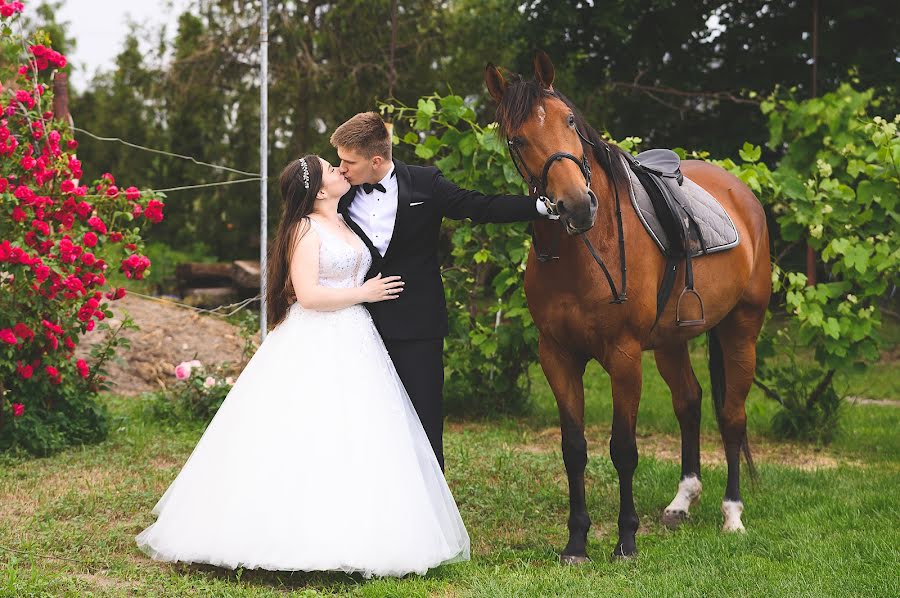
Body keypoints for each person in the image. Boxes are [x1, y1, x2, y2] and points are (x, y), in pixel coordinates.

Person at [135, 156, 470, 578]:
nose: (340, 172)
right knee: (305, 428)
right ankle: (285, 532)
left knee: (359, 433)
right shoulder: (304, 229)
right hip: (316, 336)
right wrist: (364, 291)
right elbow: (308, 296)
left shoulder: (345, 222)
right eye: (332, 170)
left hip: (357, 339)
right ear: (319, 189)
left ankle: (358, 528)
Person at [331, 112, 552, 470]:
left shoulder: (425, 183)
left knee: (425, 421)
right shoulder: (338, 192)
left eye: (348, 161)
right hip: (359, 324)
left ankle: (430, 508)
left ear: (375, 160)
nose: (340, 168)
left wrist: (540, 207)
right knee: (363, 417)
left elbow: (479, 206)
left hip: (418, 325)